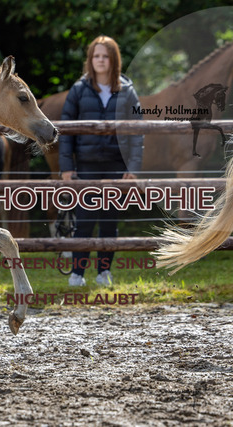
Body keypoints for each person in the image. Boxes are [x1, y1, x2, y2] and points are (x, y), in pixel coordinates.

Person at [58, 35, 143, 287]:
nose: (101, 60)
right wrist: (67, 167)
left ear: (113, 60)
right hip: (86, 165)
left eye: (105, 56)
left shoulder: (128, 91)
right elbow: (65, 131)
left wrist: (133, 167)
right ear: (90, 59)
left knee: (109, 222)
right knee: (84, 221)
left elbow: (138, 132)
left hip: (116, 165)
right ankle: (77, 274)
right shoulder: (78, 90)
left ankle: (104, 272)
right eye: (96, 56)